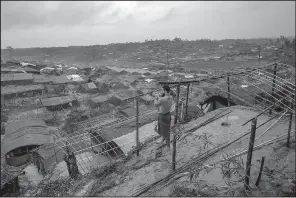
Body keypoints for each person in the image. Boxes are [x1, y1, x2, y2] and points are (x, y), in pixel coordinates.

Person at [154, 84, 173, 149]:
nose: (160, 91)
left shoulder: (162, 99)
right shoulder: (170, 97)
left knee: (165, 131)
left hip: (162, 116)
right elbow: (164, 100)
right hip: (168, 115)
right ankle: (162, 141)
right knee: (166, 130)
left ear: (165, 91)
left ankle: (168, 147)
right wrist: (160, 97)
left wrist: (156, 98)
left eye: (161, 90)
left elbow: (156, 104)